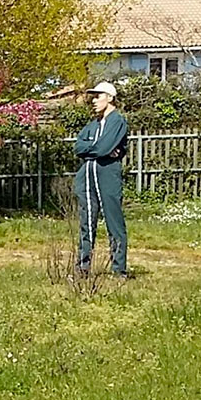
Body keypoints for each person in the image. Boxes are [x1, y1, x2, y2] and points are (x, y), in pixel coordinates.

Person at [73, 81, 130, 277]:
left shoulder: (118, 122)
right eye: (93, 97)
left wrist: (95, 149)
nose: (94, 101)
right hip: (87, 175)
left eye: (98, 96)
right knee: (87, 220)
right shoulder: (91, 126)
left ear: (110, 98)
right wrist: (95, 151)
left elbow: (104, 147)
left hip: (107, 174)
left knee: (113, 221)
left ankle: (118, 269)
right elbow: (78, 147)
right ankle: (83, 266)